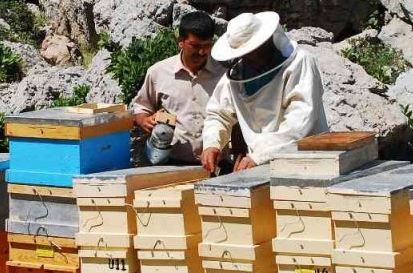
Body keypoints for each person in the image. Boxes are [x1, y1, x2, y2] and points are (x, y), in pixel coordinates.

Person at [200, 11, 329, 173]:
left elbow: (299, 122)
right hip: (259, 163)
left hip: (306, 160)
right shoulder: (238, 75)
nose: (246, 58)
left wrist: (259, 156)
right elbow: (218, 113)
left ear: (265, 42)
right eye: (242, 54)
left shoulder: (299, 63)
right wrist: (212, 143)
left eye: (251, 52)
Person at [129, 12, 225, 165]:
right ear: (180, 41)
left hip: (219, 165)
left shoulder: (224, 74)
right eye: (195, 46)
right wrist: (145, 121)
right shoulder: (158, 73)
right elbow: (141, 108)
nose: (202, 52)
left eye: (207, 46)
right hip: (172, 164)